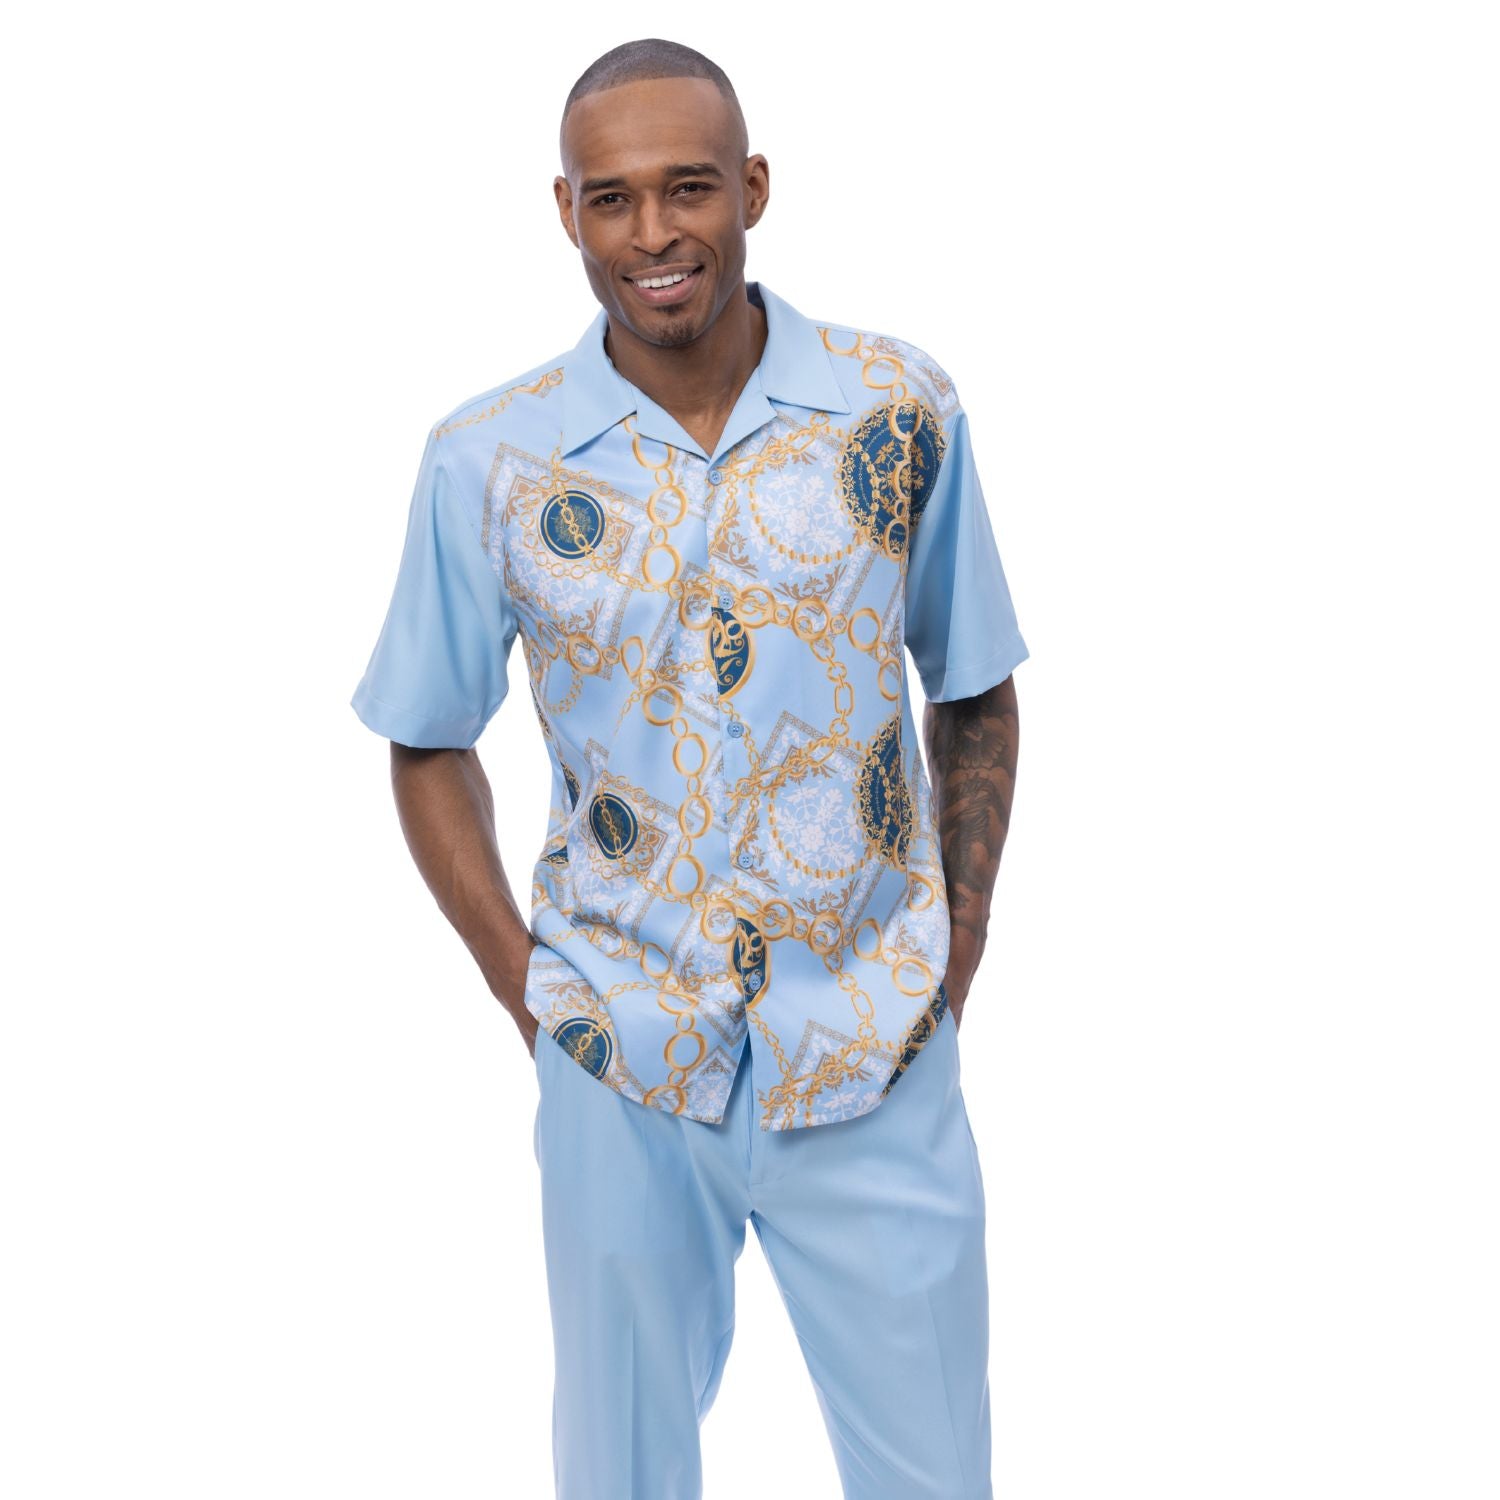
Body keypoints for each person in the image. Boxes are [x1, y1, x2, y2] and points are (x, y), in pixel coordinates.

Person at [350, 36, 1028, 1500]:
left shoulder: (898, 409)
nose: (653, 234)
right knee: (619, 1481)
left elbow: (974, 686)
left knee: (937, 1478)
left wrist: (955, 953)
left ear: (754, 189)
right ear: (567, 212)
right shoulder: (489, 461)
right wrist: (525, 988)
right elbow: (427, 736)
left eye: (690, 188)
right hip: (621, 1060)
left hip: (873, 1050)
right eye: (611, 199)